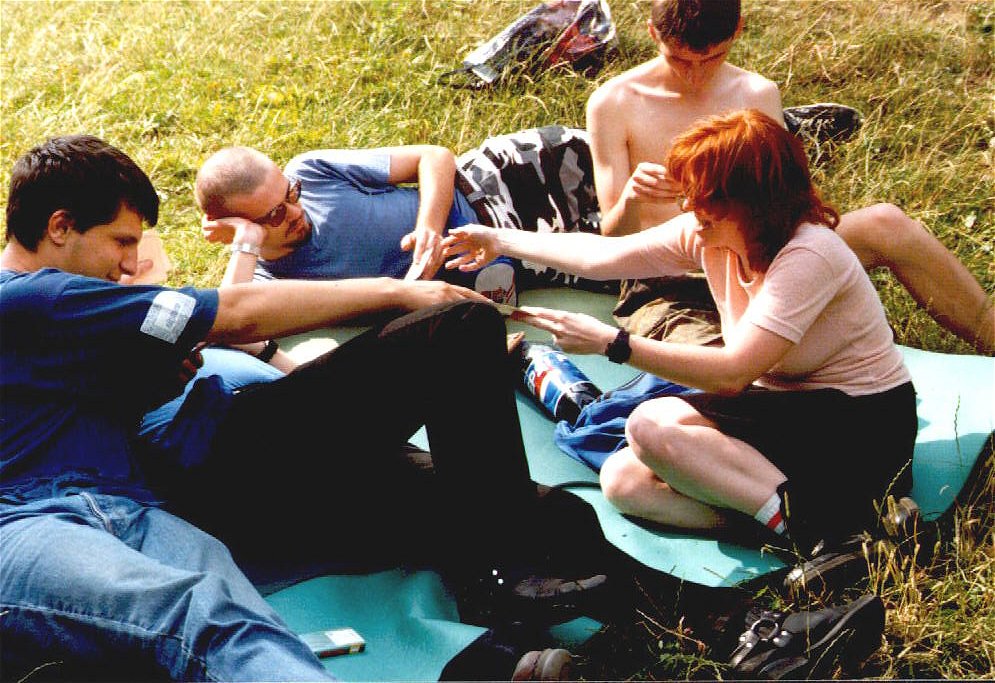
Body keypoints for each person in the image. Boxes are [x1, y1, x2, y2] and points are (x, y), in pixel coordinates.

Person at [0, 135, 612, 681]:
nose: (131, 264)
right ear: (60, 227)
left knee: (559, 522)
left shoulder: (58, 315)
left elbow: (88, 405)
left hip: (233, 480)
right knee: (455, 328)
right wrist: (399, 291)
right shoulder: (40, 297)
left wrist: (153, 381)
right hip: (227, 462)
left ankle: (490, 650)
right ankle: (494, 584)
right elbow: (236, 312)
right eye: (121, 242)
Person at [442, 109, 918, 553]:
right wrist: (498, 239)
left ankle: (820, 530)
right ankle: (824, 527)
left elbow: (732, 374)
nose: (689, 205)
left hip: (862, 428)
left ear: (753, 202)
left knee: (650, 424)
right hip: (789, 417)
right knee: (624, 480)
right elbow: (601, 257)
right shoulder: (710, 234)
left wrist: (613, 343)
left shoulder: (809, 253)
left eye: (705, 196)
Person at [586, 0, 993, 354]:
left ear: (738, 30)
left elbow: (791, 205)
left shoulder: (756, 93)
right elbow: (613, 240)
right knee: (734, 370)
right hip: (670, 279)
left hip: (760, 255)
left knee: (887, 224)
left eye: (712, 59)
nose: (695, 75)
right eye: (679, 59)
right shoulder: (614, 103)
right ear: (652, 33)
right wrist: (633, 197)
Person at [194, 144, 519, 305]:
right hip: (510, 259)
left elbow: (434, 156)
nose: (295, 212)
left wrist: (428, 228)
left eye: (291, 193)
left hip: (494, 185)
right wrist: (246, 240)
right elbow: (233, 314)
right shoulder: (266, 279)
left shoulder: (311, 171)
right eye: (274, 215)